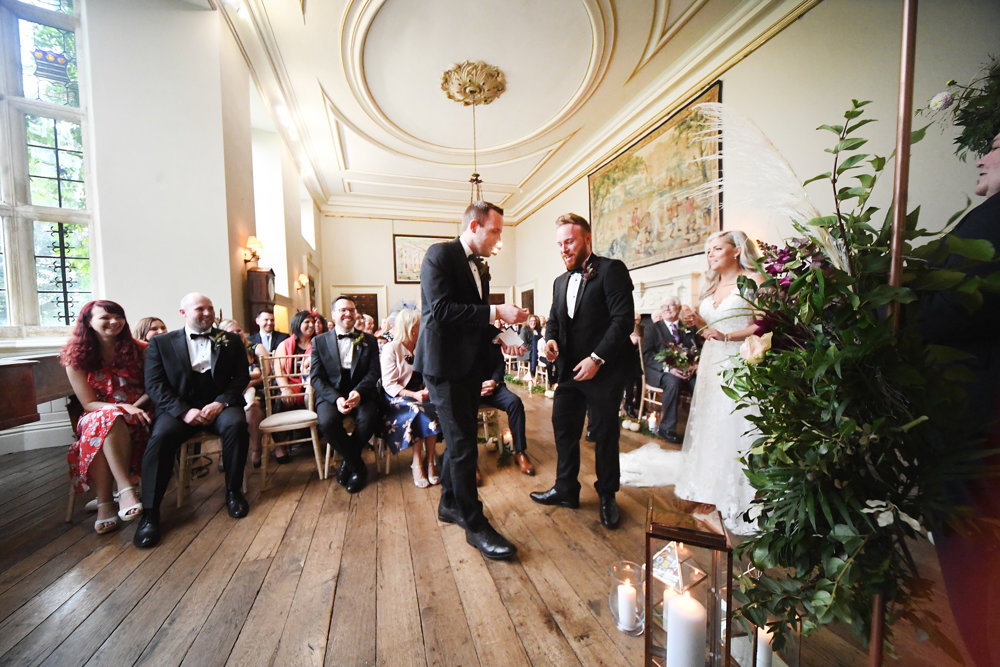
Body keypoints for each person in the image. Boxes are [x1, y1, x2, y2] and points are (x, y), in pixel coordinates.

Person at [620, 231, 764, 534]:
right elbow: (711, 329)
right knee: (712, 424)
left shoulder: (753, 280)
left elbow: (763, 323)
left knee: (734, 422)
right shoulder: (712, 286)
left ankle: (735, 495)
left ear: (736, 251)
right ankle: (710, 491)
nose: (710, 254)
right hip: (712, 360)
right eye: (707, 249)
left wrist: (725, 335)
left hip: (738, 359)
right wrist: (699, 322)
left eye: (717, 248)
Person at [920, 130, 1000, 667]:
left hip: (981, 429)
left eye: (996, 144)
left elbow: (939, 311)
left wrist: (874, 311)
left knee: (980, 578)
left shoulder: (994, 220)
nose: (982, 155)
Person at [414, 201, 529, 560]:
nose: (498, 238)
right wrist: (496, 310)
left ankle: (449, 503)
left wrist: (501, 337)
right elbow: (440, 311)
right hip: (443, 366)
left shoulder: (483, 267)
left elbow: (473, 321)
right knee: (464, 444)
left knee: (459, 438)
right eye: (495, 230)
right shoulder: (439, 255)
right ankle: (474, 524)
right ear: (475, 225)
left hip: (468, 366)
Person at [531, 213, 634, 529]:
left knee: (604, 435)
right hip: (568, 374)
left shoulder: (611, 270)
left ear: (587, 239)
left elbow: (622, 321)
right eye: (560, 243)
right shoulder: (559, 281)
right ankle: (566, 489)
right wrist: (550, 341)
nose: (564, 248)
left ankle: (607, 495)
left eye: (570, 241)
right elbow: (554, 320)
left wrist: (596, 358)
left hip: (603, 372)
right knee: (563, 430)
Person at [134, 292, 251, 549]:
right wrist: (183, 411)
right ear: (183, 313)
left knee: (237, 425)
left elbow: (241, 377)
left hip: (219, 404)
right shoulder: (162, 344)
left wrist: (220, 402)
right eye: (200, 309)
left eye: (210, 308)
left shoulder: (229, 340)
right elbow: (154, 385)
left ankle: (234, 493)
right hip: (179, 409)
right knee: (161, 437)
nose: (207, 313)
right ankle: (150, 514)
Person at [61, 300, 151, 534]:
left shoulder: (141, 349)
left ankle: (105, 504)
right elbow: (89, 403)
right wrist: (121, 409)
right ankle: (125, 490)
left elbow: (153, 389)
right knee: (104, 419)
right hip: (98, 413)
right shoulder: (75, 358)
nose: (114, 322)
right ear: (88, 323)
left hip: (140, 412)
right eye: (105, 318)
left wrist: (132, 407)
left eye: (118, 316)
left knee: (101, 428)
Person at [310, 295, 381, 494]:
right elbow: (316, 378)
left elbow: (374, 372)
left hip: (362, 392)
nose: (347, 313)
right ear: (333, 314)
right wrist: (337, 398)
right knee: (327, 422)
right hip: (331, 395)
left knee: (369, 418)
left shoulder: (369, 341)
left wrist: (358, 392)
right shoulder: (319, 341)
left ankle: (347, 464)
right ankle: (357, 467)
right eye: (342, 310)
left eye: (351, 309)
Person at [379, 308, 441, 488]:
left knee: (436, 407)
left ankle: (430, 461)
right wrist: (414, 394)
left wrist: (428, 389)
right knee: (418, 411)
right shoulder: (391, 348)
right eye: (421, 325)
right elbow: (389, 384)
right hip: (397, 397)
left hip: (420, 395)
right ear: (412, 327)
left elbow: (429, 376)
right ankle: (417, 463)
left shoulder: (421, 347)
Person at [642, 296, 699, 442]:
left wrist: (693, 366)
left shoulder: (687, 329)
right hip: (660, 371)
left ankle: (699, 425)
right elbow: (648, 356)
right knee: (673, 382)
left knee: (699, 383)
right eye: (663, 306)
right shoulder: (652, 329)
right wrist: (669, 368)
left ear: (679, 309)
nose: (667, 309)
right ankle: (666, 429)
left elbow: (696, 350)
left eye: (671, 305)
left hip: (686, 371)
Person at [480, 345, 536, 476]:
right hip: (472, 389)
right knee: (465, 408)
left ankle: (520, 452)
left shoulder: (492, 335)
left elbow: (500, 363)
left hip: (494, 387)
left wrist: (493, 381)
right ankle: (471, 462)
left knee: (514, 402)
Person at [270, 310, 315, 463]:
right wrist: (285, 388)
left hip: (311, 384)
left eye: (313, 322)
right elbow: (279, 369)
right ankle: (279, 445)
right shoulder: (285, 345)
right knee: (280, 401)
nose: (311, 325)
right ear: (297, 324)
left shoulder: (318, 342)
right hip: (290, 383)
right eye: (307, 322)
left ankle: (314, 439)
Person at [219, 319, 265, 469]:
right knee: (223, 411)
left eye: (238, 331)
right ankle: (225, 452)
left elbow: (265, 374)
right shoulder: (221, 351)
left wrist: (247, 383)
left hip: (256, 389)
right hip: (231, 392)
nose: (236, 334)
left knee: (253, 407)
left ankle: (257, 449)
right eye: (231, 333)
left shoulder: (253, 348)